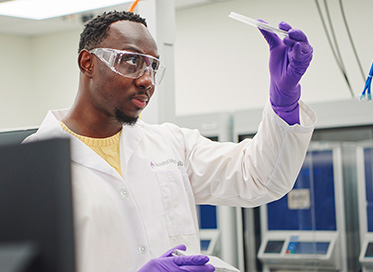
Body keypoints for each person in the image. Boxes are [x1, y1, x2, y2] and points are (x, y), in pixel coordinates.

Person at [24, 10, 316, 272]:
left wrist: (283, 102)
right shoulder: (31, 169)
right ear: (88, 63)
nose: (147, 79)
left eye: (153, 67)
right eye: (132, 61)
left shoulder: (170, 143)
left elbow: (260, 179)